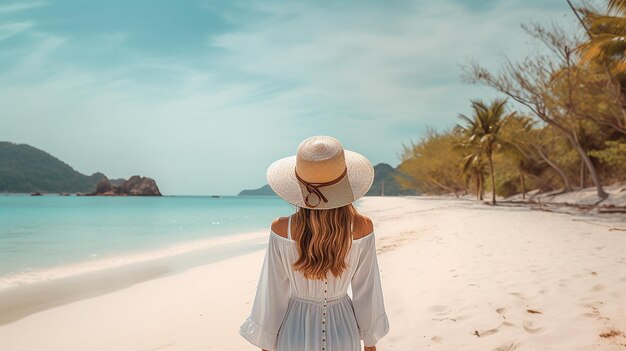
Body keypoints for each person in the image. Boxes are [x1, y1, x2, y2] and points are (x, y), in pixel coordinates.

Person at [239, 135, 390, 351]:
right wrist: (370, 342)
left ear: (297, 184)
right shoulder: (363, 227)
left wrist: (266, 342)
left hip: (293, 333)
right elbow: (367, 290)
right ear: (344, 184)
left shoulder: (282, 229)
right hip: (344, 332)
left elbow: (273, 292)